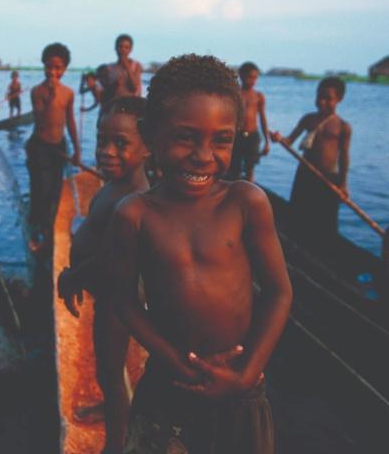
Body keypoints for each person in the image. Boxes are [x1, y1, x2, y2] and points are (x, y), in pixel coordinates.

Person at [107, 54, 292, 454]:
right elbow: (123, 299)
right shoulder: (135, 214)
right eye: (185, 137)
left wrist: (246, 375)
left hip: (242, 389)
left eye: (221, 140)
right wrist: (175, 359)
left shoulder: (245, 202)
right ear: (149, 136)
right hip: (168, 381)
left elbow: (279, 292)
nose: (204, 156)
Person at [57, 96, 151, 454]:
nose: (106, 151)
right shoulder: (115, 186)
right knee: (107, 370)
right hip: (105, 294)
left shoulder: (133, 199)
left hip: (117, 300)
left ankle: (115, 445)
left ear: (148, 148)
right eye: (101, 140)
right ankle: (109, 405)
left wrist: (71, 278)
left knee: (111, 375)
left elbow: (109, 262)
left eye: (121, 143)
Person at [271, 77, 351, 243]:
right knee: (299, 213)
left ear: (339, 99)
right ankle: (295, 242)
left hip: (328, 178)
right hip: (305, 174)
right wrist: (279, 138)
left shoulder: (343, 126)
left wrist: (343, 184)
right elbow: (290, 140)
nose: (322, 102)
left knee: (326, 219)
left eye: (328, 98)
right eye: (319, 96)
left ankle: (324, 249)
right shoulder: (309, 119)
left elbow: (344, 156)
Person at [26, 42, 80, 253]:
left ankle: (48, 235)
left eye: (58, 68)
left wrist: (75, 150)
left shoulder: (68, 93)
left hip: (59, 147)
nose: (53, 72)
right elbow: (39, 117)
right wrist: (50, 94)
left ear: (65, 69)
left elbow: (70, 122)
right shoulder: (37, 91)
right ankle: (41, 235)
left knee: (54, 191)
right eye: (49, 67)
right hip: (40, 148)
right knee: (40, 190)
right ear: (43, 67)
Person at [226, 62, 269, 183]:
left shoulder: (258, 96)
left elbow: (262, 118)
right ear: (241, 76)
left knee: (250, 168)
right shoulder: (234, 94)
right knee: (234, 169)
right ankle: (234, 196)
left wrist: (267, 141)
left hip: (252, 136)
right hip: (237, 136)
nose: (252, 80)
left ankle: (249, 196)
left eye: (255, 78)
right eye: (249, 77)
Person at [99, 34, 144, 106]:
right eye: (120, 47)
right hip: (115, 105)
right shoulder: (110, 68)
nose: (123, 50)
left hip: (133, 104)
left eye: (126, 47)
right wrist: (115, 84)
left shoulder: (136, 65)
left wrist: (127, 66)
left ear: (130, 50)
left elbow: (135, 87)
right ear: (116, 48)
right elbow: (105, 92)